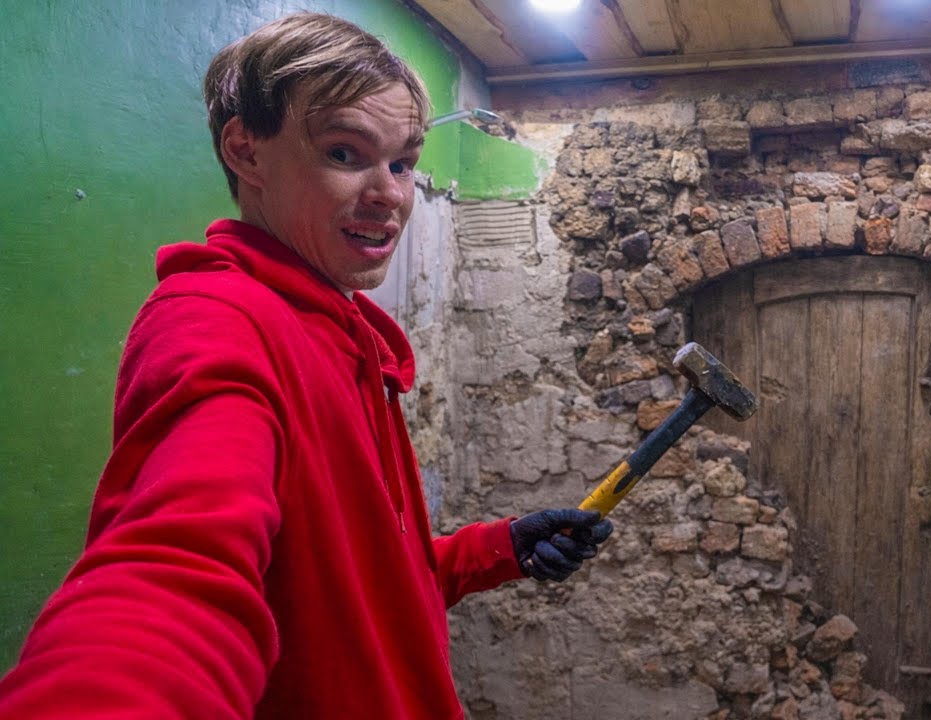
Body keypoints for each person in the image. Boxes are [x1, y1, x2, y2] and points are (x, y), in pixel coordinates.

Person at [0, 12, 611, 719]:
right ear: (247, 152)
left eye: (403, 161)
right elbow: (178, 576)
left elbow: (353, 587)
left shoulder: (339, 327)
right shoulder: (216, 322)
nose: (389, 194)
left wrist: (492, 550)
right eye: (346, 154)